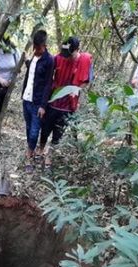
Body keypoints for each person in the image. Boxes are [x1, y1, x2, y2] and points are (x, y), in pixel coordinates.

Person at [39, 37, 93, 171]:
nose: (67, 57)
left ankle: (49, 159)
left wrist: (77, 89)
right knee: (45, 131)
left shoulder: (85, 61)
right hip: (53, 103)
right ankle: (40, 152)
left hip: (68, 106)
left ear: (76, 50)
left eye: (70, 54)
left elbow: (86, 80)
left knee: (58, 135)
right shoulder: (58, 58)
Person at [22, 30, 54, 174]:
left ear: (45, 45)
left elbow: (48, 84)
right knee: (29, 128)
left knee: (35, 132)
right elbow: (30, 73)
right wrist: (26, 61)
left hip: (37, 102)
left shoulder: (49, 60)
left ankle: (29, 155)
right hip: (26, 98)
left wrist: (43, 105)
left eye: (39, 47)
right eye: (34, 47)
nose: (36, 50)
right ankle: (31, 150)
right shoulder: (33, 57)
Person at [0, 36, 19, 130]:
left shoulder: (15, 52)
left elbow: (18, 68)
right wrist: (1, 80)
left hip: (8, 86)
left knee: (2, 108)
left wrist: (11, 79)